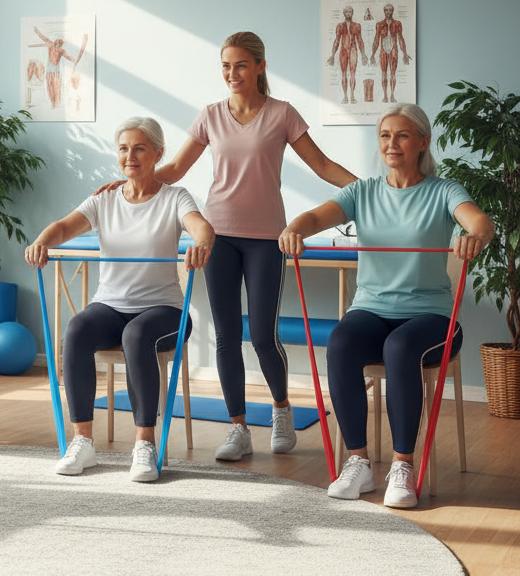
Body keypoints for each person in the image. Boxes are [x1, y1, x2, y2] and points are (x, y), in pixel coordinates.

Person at [98, 32, 358, 462]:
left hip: (265, 239)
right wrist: (131, 180)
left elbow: (322, 165)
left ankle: (280, 410)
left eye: (240, 65)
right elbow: (177, 167)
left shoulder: (282, 114)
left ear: (259, 67)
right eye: (225, 66)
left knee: (261, 335)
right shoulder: (211, 116)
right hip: (218, 235)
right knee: (225, 336)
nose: (231, 74)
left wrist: (370, 191)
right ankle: (238, 427)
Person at [279, 104, 493, 508]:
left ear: (422, 143)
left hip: (430, 316)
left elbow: (480, 222)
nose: (391, 143)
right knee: (341, 339)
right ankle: (357, 462)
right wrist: (293, 230)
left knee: (400, 348)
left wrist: (474, 236)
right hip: (372, 309)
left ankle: (402, 466)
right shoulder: (363, 191)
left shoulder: (443, 190)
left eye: (402, 135)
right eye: (384, 135)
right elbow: (313, 217)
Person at [26, 117, 215, 482]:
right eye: (124, 149)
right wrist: (42, 241)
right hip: (111, 306)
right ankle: (83, 442)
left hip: (165, 311)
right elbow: (65, 226)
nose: (130, 156)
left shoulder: (175, 197)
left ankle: (144, 444)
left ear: (158, 153)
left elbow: (199, 226)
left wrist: (202, 243)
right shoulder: (105, 199)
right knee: (77, 329)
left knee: (136, 335)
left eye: (140, 148)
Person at [370, 3, 411, 103]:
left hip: (393, 50)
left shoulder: (397, 24)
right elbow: (376, 39)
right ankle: (385, 96)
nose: (388, 12)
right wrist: (372, 54)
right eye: (386, 10)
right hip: (383, 51)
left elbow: (400, 38)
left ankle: (392, 95)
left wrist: (405, 53)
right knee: (384, 74)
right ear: (384, 11)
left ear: (392, 11)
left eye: (390, 10)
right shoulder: (379, 25)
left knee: (393, 74)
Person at [327, 5, 368, 104]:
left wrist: (363, 54)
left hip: (353, 50)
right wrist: (332, 55)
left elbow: (360, 40)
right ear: (344, 14)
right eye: (346, 12)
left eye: (350, 12)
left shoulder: (357, 26)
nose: (348, 14)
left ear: (352, 13)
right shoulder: (340, 26)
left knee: (353, 75)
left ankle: (352, 96)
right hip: (343, 51)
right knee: (344, 74)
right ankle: (345, 96)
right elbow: (337, 40)